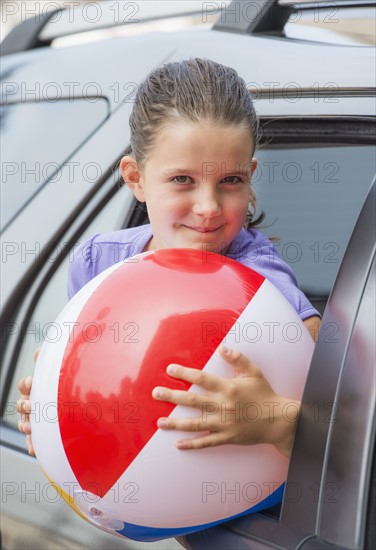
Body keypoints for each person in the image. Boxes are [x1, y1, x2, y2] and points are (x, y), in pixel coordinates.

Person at [17, 57, 320, 459]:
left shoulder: (267, 287)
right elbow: (87, 390)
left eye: (230, 180)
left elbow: (339, 431)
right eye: (182, 180)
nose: (208, 206)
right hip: (123, 510)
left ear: (250, 174)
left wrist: (279, 421)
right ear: (135, 179)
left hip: (239, 509)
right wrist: (52, 420)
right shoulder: (97, 265)